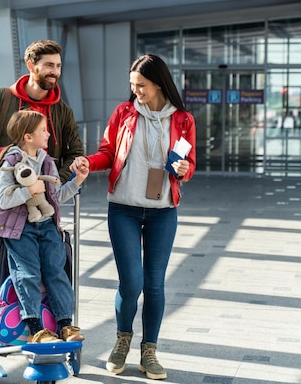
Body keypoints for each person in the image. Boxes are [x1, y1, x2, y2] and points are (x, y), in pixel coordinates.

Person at [71, 54, 196, 380]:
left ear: (158, 83)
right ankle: (122, 341)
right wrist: (88, 162)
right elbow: (108, 153)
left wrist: (184, 169)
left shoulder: (183, 120)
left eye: (140, 85)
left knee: (154, 285)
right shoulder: (125, 113)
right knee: (132, 283)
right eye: (132, 85)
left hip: (162, 211)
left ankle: (149, 351)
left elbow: (189, 163)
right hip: (123, 208)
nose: (135, 90)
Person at [0, 109, 88, 343]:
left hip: (46, 224)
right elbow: (4, 199)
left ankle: (65, 324)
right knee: (28, 273)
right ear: (27, 136)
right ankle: (36, 329)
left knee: (56, 271)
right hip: (19, 228)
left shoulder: (46, 162)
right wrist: (28, 191)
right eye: (43, 130)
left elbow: (54, 196)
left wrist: (78, 181)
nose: (49, 134)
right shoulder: (11, 161)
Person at [0, 39, 84, 191]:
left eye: (58, 66)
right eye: (49, 65)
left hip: (43, 194)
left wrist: (56, 180)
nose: (55, 72)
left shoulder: (63, 111)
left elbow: (75, 153)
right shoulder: (1, 99)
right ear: (31, 66)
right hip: (4, 190)